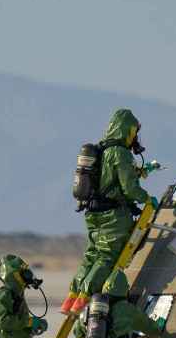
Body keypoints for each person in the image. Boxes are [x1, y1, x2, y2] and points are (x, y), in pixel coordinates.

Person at [61, 108, 158, 316]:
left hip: (93, 214)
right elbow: (129, 189)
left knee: (91, 256)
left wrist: (141, 171)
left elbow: (110, 181)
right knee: (107, 257)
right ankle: (83, 299)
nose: (135, 137)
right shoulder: (120, 153)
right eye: (134, 132)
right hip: (113, 217)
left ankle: (71, 298)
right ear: (127, 130)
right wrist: (148, 200)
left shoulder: (102, 151)